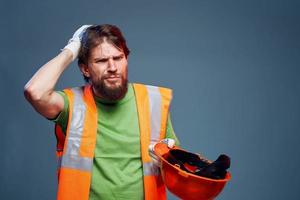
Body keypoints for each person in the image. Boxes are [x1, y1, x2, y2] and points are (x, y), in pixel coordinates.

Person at [24, 24, 180, 200]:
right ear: (85, 68)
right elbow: (35, 92)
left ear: (126, 59)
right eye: (101, 61)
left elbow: (174, 166)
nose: (112, 67)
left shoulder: (153, 101)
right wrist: (72, 48)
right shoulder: (72, 103)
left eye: (118, 58)